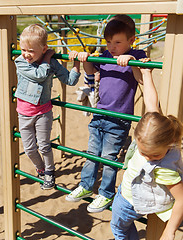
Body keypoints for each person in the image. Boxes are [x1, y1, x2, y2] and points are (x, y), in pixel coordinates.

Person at [65, 14, 149, 212]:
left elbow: (142, 79)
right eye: (109, 42)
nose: (112, 47)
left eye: (118, 42)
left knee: (109, 158)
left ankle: (105, 194)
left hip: (119, 118)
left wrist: (131, 61)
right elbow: (90, 70)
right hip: (99, 114)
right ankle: (86, 186)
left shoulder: (137, 55)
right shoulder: (104, 55)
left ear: (131, 40)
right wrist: (84, 57)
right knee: (93, 154)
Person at [110, 67, 183, 240]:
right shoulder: (153, 130)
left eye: (154, 155)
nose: (146, 157)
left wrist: (169, 231)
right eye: (142, 152)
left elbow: (181, 199)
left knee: (118, 228)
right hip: (134, 194)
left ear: (168, 144)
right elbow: (151, 103)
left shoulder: (165, 168)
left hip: (129, 201)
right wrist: (146, 74)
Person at [14, 24, 81, 190]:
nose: (26, 54)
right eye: (23, 49)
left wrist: (76, 64)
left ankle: (50, 171)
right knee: (29, 149)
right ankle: (41, 168)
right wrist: (45, 58)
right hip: (24, 114)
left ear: (44, 48)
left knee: (44, 146)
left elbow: (70, 80)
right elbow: (39, 75)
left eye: (31, 51)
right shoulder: (20, 62)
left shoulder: (51, 62)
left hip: (43, 112)